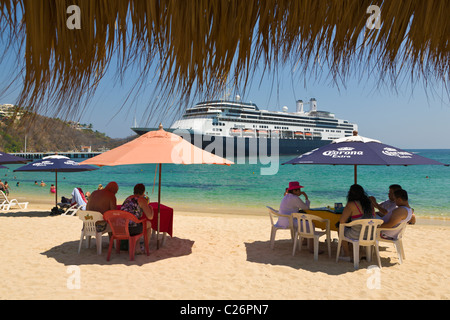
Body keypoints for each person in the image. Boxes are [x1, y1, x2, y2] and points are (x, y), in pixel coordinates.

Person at [338, 184, 376, 260]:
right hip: (371, 235)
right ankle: (363, 252)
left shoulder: (352, 204)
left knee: (340, 229)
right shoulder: (369, 202)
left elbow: (342, 221)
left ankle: (347, 254)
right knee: (355, 228)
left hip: (357, 235)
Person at [121, 183, 154, 254]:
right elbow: (150, 216)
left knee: (137, 222)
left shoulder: (128, 198)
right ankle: (145, 248)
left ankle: (136, 247)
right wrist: (151, 208)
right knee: (148, 224)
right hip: (132, 228)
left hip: (122, 227)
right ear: (143, 191)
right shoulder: (141, 200)